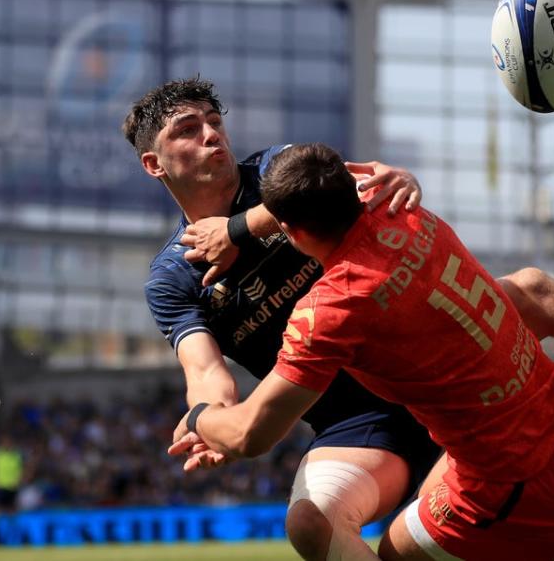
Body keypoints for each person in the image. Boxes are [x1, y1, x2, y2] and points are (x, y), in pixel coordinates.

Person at [168, 143, 554, 560]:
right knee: (531, 287)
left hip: (521, 490)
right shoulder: (405, 210)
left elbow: (250, 436)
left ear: (294, 233)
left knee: (386, 554)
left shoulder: (330, 308)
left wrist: (200, 420)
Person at [124, 78, 444, 560]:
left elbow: (327, 187)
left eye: (215, 122)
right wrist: (212, 423)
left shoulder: (276, 170)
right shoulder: (172, 279)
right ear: (154, 164)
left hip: (425, 374)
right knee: (311, 523)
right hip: (358, 423)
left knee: (430, 545)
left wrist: (236, 230)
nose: (212, 135)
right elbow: (206, 373)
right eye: (189, 129)